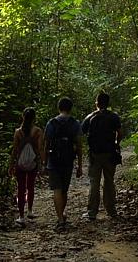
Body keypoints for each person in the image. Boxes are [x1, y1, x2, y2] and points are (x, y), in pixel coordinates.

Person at [41, 96, 84, 229]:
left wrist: (44, 163)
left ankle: (60, 219)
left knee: (57, 190)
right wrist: (80, 165)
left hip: (54, 160)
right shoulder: (75, 123)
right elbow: (79, 145)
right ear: (71, 108)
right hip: (68, 159)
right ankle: (62, 215)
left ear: (59, 107)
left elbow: (46, 145)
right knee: (64, 189)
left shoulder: (51, 123)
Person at [81, 92, 124, 220]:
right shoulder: (114, 117)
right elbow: (120, 133)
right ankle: (111, 210)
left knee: (94, 182)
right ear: (108, 103)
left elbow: (81, 132)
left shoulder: (90, 117)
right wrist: (116, 143)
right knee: (109, 181)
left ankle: (92, 212)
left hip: (95, 154)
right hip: (110, 153)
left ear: (97, 103)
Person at [8, 106, 42, 223]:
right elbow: (39, 149)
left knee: (20, 188)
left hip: (20, 164)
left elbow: (15, 150)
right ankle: (30, 211)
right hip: (32, 163)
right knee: (30, 186)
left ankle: (21, 216)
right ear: (34, 118)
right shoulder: (37, 131)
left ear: (23, 117)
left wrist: (11, 165)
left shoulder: (18, 132)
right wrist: (41, 162)